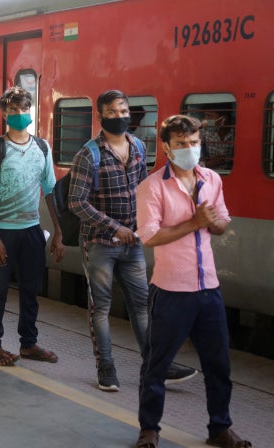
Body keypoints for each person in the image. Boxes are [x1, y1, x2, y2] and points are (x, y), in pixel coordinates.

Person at [134, 114, 254, 448]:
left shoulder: (212, 179)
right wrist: (195, 222)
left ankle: (220, 428)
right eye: (182, 145)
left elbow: (221, 223)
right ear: (167, 147)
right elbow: (151, 236)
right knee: (157, 365)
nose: (190, 150)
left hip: (209, 289)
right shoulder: (153, 187)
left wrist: (214, 224)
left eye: (194, 143)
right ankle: (149, 429)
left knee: (219, 366)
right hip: (171, 290)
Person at [69, 90, 196, 391]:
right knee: (100, 307)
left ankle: (156, 364)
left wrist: (147, 223)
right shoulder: (89, 154)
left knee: (142, 306)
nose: (119, 116)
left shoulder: (138, 146)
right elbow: (76, 202)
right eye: (112, 112)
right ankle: (106, 368)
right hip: (100, 243)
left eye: (123, 110)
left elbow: (143, 189)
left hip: (133, 242)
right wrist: (114, 227)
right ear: (100, 116)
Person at [0, 87, 65, 366]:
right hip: (2, 231)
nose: (19, 114)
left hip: (31, 230)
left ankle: (28, 343)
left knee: (31, 290)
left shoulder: (42, 146)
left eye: (23, 109)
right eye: (13, 110)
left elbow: (49, 188)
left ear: (31, 111)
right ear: (4, 114)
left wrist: (59, 232)